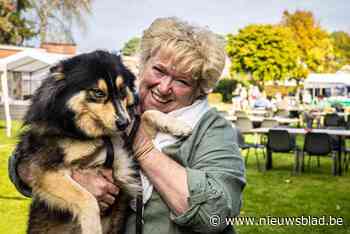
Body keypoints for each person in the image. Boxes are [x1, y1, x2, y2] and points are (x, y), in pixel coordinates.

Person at [8, 17, 246, 234]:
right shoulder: (120, 108)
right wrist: (74, 183)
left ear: (200, 88)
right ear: (143, 66)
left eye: (182, 81)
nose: (164, 88)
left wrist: (143, 148)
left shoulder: (214, 130)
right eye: (159, 70)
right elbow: (28, 158)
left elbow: (214, 215)